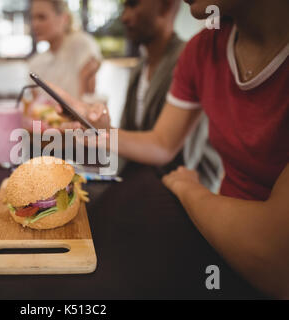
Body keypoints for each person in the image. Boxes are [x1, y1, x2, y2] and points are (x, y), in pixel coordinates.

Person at [53, 0, 289, 298]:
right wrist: (101, 134)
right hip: (218, 244)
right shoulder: (202, 50)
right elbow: (162, 143)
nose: (126, 16)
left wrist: (189, 189)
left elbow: (277, 256)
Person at [120, 0, 222, 191]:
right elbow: (127, 137)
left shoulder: (189, 60)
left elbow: (180, 158)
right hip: (145, 178)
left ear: (166, 6)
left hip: (186, 186)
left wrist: (98, 134)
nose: (124, 17)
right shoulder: (139, 69)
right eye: (124, 8)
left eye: (133, 5)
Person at [29, 0, 102, 98]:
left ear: (64, 18)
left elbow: (87, 102)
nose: (35, 24)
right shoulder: (35, 63)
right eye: (32, 18)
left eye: (42, 17)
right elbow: (35, 108)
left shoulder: (82, 45)